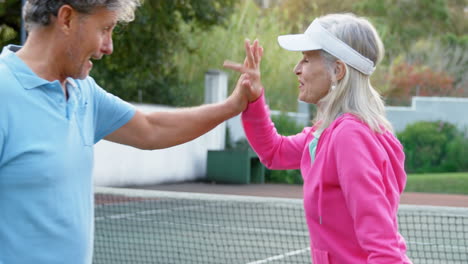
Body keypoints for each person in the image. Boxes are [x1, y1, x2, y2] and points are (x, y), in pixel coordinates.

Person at [0, 1, 252, 263]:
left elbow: (151, 129)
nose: (108, 47)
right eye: (105, 29)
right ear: (66, 19)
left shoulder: (83, 91)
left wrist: (233, 105)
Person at [224, 13, 413, 263]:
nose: (297, 69)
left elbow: (383, 247)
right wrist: (255, 97)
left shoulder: (349, 137)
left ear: (337, 70)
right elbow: (274, 151)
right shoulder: (327, 133)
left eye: (306, 59)